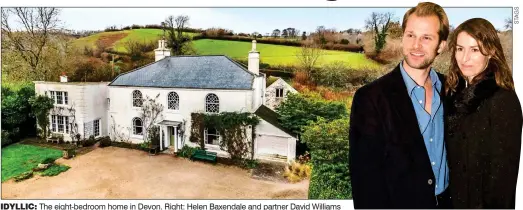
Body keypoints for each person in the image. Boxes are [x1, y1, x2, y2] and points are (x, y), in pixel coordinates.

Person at [349, 2, 452, 208]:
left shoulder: (452, 90)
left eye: (426, 38)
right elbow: (365, 184)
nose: (416, 45)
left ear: (441, 45)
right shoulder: (370, 98)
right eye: (410, 35)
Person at [444, 18, 522, 209]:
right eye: (460, 49)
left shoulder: (502, 99)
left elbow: (503, 177)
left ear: (491, 52)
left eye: (475, 50)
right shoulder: (454, 94)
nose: (464, 58)